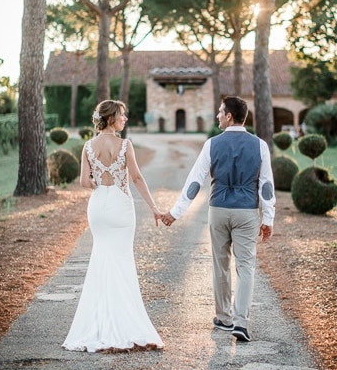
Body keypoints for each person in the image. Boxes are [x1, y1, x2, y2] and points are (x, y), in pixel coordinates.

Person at [160, 96, 275, 343]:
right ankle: (241, 323)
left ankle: (224, 318)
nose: (217, 116)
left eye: (221, 112)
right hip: (247, 212)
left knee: (220, 263)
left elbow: (195, 181)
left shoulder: (212, 144)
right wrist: (268, 219)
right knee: (246, 267)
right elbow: (266, 186)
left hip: (219, 210)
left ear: (230, 116)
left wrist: (175, 212)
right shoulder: (260, 146)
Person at [62, 100, 165, 353]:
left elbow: (84, 181)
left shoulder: (88, 146)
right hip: (120, 205)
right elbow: (137, 177)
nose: (125, 119)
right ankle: (124, 324)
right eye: (122, 115)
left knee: (101, 259)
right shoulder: (125, 145)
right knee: (121, 260)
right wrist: (154, 207)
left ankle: (98, 326)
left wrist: (101, 185)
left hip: (99, 206)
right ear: (110, 118)